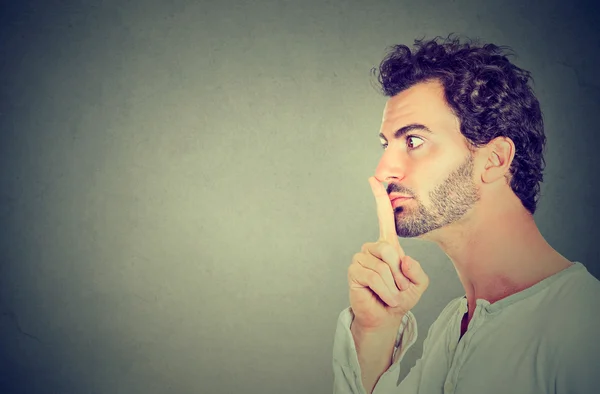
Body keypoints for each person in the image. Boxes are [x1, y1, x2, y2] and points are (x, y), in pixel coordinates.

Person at [332, 36, 600, 394]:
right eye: (386, 145)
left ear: (494, 160)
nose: (383, 171)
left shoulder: (585, 327)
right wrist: (375, 331)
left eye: (412, 141)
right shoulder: (453, 325)